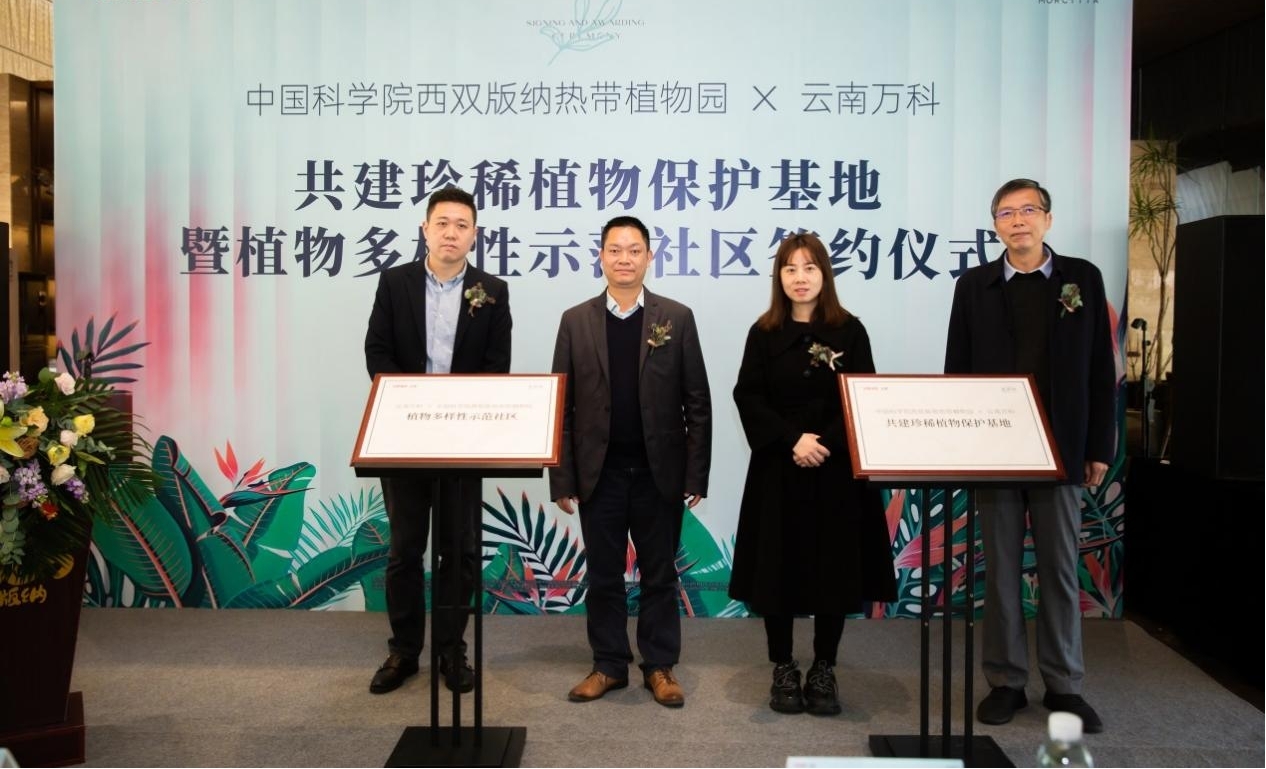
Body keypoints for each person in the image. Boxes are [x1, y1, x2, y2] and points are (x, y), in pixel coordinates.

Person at [944, 178, 1115, 733]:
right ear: (995, 225)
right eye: (1006, 213)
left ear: (1048, 219)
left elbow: (1100, 366)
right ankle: (1006, 681)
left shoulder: (1081, 278)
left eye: (1028, 210)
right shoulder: (975, 285)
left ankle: (1065, 686)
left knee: (1059, 569)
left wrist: (1098, 446)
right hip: (996, 450)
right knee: (999, 572)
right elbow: (958, 369)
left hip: (1062, 448)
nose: (1018, 221)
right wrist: (963, 445)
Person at [729, 232, 897, 716]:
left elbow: (862, 393)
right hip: (778, 468)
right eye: (790, 269)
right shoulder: (763, 332)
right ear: (778, 277)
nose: (799, 278)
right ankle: (782, 666)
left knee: (833, 568)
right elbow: (748, 395)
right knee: (777, 568)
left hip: (834, 468)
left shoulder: (850, 331)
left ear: (824, 274)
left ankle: (825, 667)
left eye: (809, 268)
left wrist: (824, 442)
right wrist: (791, 440)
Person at [549, 215, 712, 708]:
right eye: (615, 250)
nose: (624, 259)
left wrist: (695, 473)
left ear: (649, 257)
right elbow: (561, 405)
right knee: (603, 575)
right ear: (601, 256)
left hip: (658, 475)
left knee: (660, 575)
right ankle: (608, 665)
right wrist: (562, 477)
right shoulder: (575, 320)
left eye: (634, 250)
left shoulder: (676, 317)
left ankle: (659, 666)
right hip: (598, 475)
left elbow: (697, 402)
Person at [363, 186, 512, 695]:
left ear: (474, 235)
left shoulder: (492, 291)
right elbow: (377, 352)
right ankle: (404, 651)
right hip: (403, 440)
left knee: (460, 551)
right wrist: (413, 408)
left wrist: (458, 417)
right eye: (442, 223)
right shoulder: (395, 283)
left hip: (462, 444)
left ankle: (451, 650)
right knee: (405, 550)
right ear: (425, 229)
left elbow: (496, 367)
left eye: (461, 225)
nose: (451, 233)